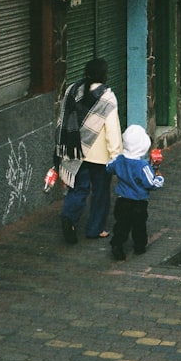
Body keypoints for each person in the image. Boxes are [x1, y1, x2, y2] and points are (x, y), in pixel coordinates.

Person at [55, 58, 123, 244]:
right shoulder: (107, 96)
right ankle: (95, 229)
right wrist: (116, 155)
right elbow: (112, 130)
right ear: (104, 74)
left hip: (76, 151)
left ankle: (69, 217)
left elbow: (62, 118)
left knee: (78, 189)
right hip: (100, 156)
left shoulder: (72, 89)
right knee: (100, 193)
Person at [106, 124, 165, 260]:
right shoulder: (142, 166)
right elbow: (151, 183)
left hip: (122, 200)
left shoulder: (119, 160)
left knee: (121, 225)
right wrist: (159, 175)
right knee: (139, 226)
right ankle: (139, 246)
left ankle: (117, 245)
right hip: (139, 202)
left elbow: (109, 167)